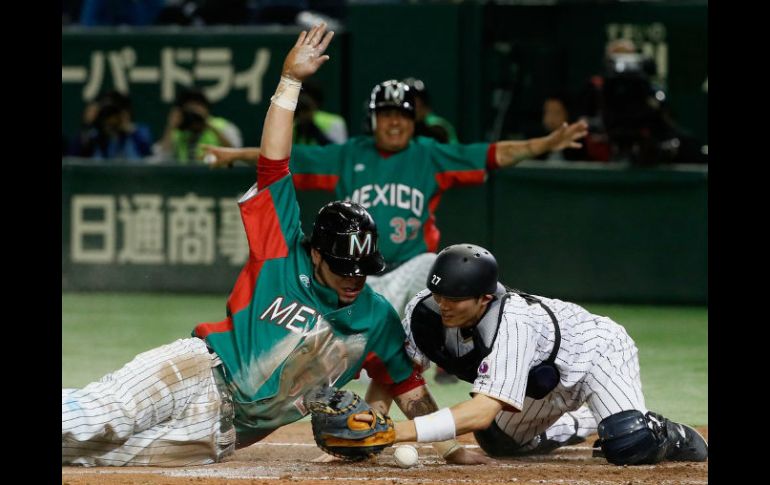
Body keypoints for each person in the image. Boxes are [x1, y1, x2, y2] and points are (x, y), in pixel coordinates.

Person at [62, 23, 489, 467]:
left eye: (363, 269)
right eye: (344, 267)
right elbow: (273, 163)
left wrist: (450, 448)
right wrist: (290, 83)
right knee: (103, 416)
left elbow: (408, 388)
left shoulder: (375, 318)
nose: (354, 278)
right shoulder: (280, 249)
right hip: (195, 372)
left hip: (219, 434)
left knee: (99, 456)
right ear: (317, 254)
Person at [202, 80, 588, 321]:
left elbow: (494, 154)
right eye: (385, 114)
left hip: (413, 274)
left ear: (413, 119)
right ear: (373, 119)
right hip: (360, 277)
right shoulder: (349, 154)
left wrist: (545, 144)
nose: (393, 122)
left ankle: (451, 336)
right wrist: (234, 155)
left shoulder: (429, 154)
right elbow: (283, 158)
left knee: (436, 262)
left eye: (401, 114)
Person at [382, 243, 708, 465]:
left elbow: (481, 410)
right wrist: (375, 420)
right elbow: (398, 373)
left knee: (628, 443)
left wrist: (393, 432)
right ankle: (595, 417)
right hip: (539, 383)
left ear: (484, 298)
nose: (443, 304)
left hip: (596, 354)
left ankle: (661, 430)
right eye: (439, 294)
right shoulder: (424, 311)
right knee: (498, 441)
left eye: (454, 298)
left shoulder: (512, 320)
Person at [154, 87, 242, 164]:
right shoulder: (177, 131)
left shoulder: (223, 126)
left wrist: (208, 124)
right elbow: (162, 158)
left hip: (216, 178)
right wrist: (171, 126)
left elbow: (236, 156)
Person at [67, 90, 154, 161]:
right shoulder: (94, 135)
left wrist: (130, 130)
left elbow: (149, 158)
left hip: (131, 180)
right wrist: (86, 125)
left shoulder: (138, 132)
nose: (111, 119)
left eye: (114, 113)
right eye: (107, 113)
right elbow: (72, 160)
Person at [402, 77, 459, 144]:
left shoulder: (437, 127)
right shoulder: (397, 125)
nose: (410, 104)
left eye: (415, 99)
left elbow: (453, 151)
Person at [534, 93, 589, 162]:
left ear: (566, 115)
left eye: (556, 113)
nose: (551, 118)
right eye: (548, 112)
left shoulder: (576, 141)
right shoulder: (536, 140)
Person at [294, 80, 348, 145]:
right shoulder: (289, 123)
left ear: (316, 103)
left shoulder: (335, 122)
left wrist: (315, 131)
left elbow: (339, 152)